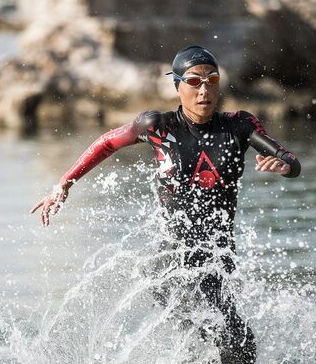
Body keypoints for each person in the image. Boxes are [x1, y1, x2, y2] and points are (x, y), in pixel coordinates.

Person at [31, 46, 301, 363]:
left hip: (218, 259)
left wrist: (284, 167)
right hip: (171, 262)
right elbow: (107, 142)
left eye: (212, 80)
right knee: (235, 341)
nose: (204, 90)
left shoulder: (239, 126)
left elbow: (290, 161)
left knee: (224, 346)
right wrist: (65, 182)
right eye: (193, 81)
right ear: (177, 85)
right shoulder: (158, 126)